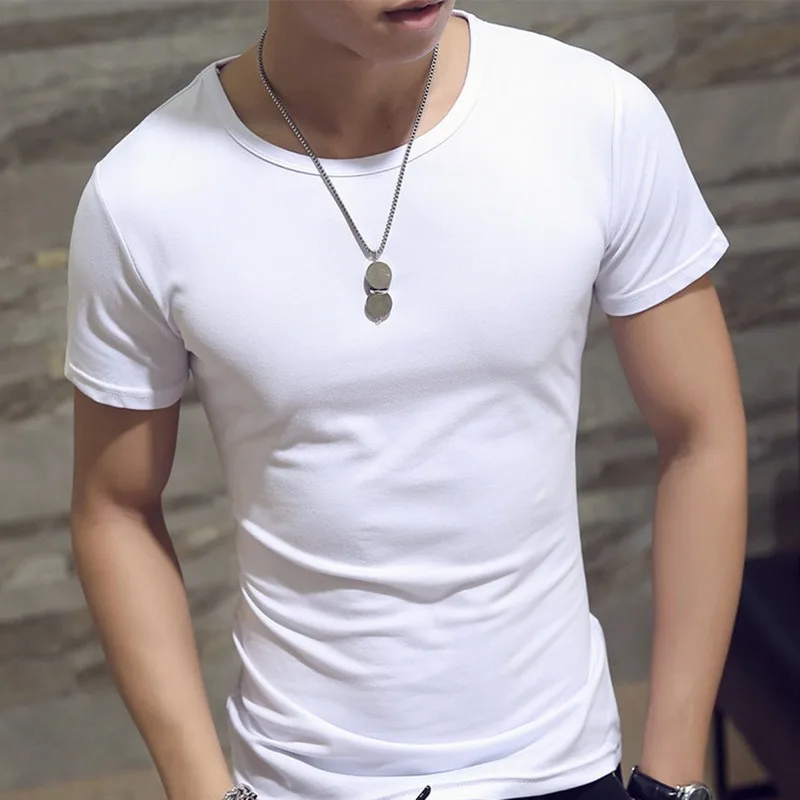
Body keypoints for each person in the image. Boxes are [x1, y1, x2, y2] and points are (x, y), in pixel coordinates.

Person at [65, 1, 747, 799]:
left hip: (561, 761)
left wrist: (673, 777)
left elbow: (701, 431)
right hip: (301, 777)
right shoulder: (144, 194)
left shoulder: (596, 114)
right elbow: (114, 506)